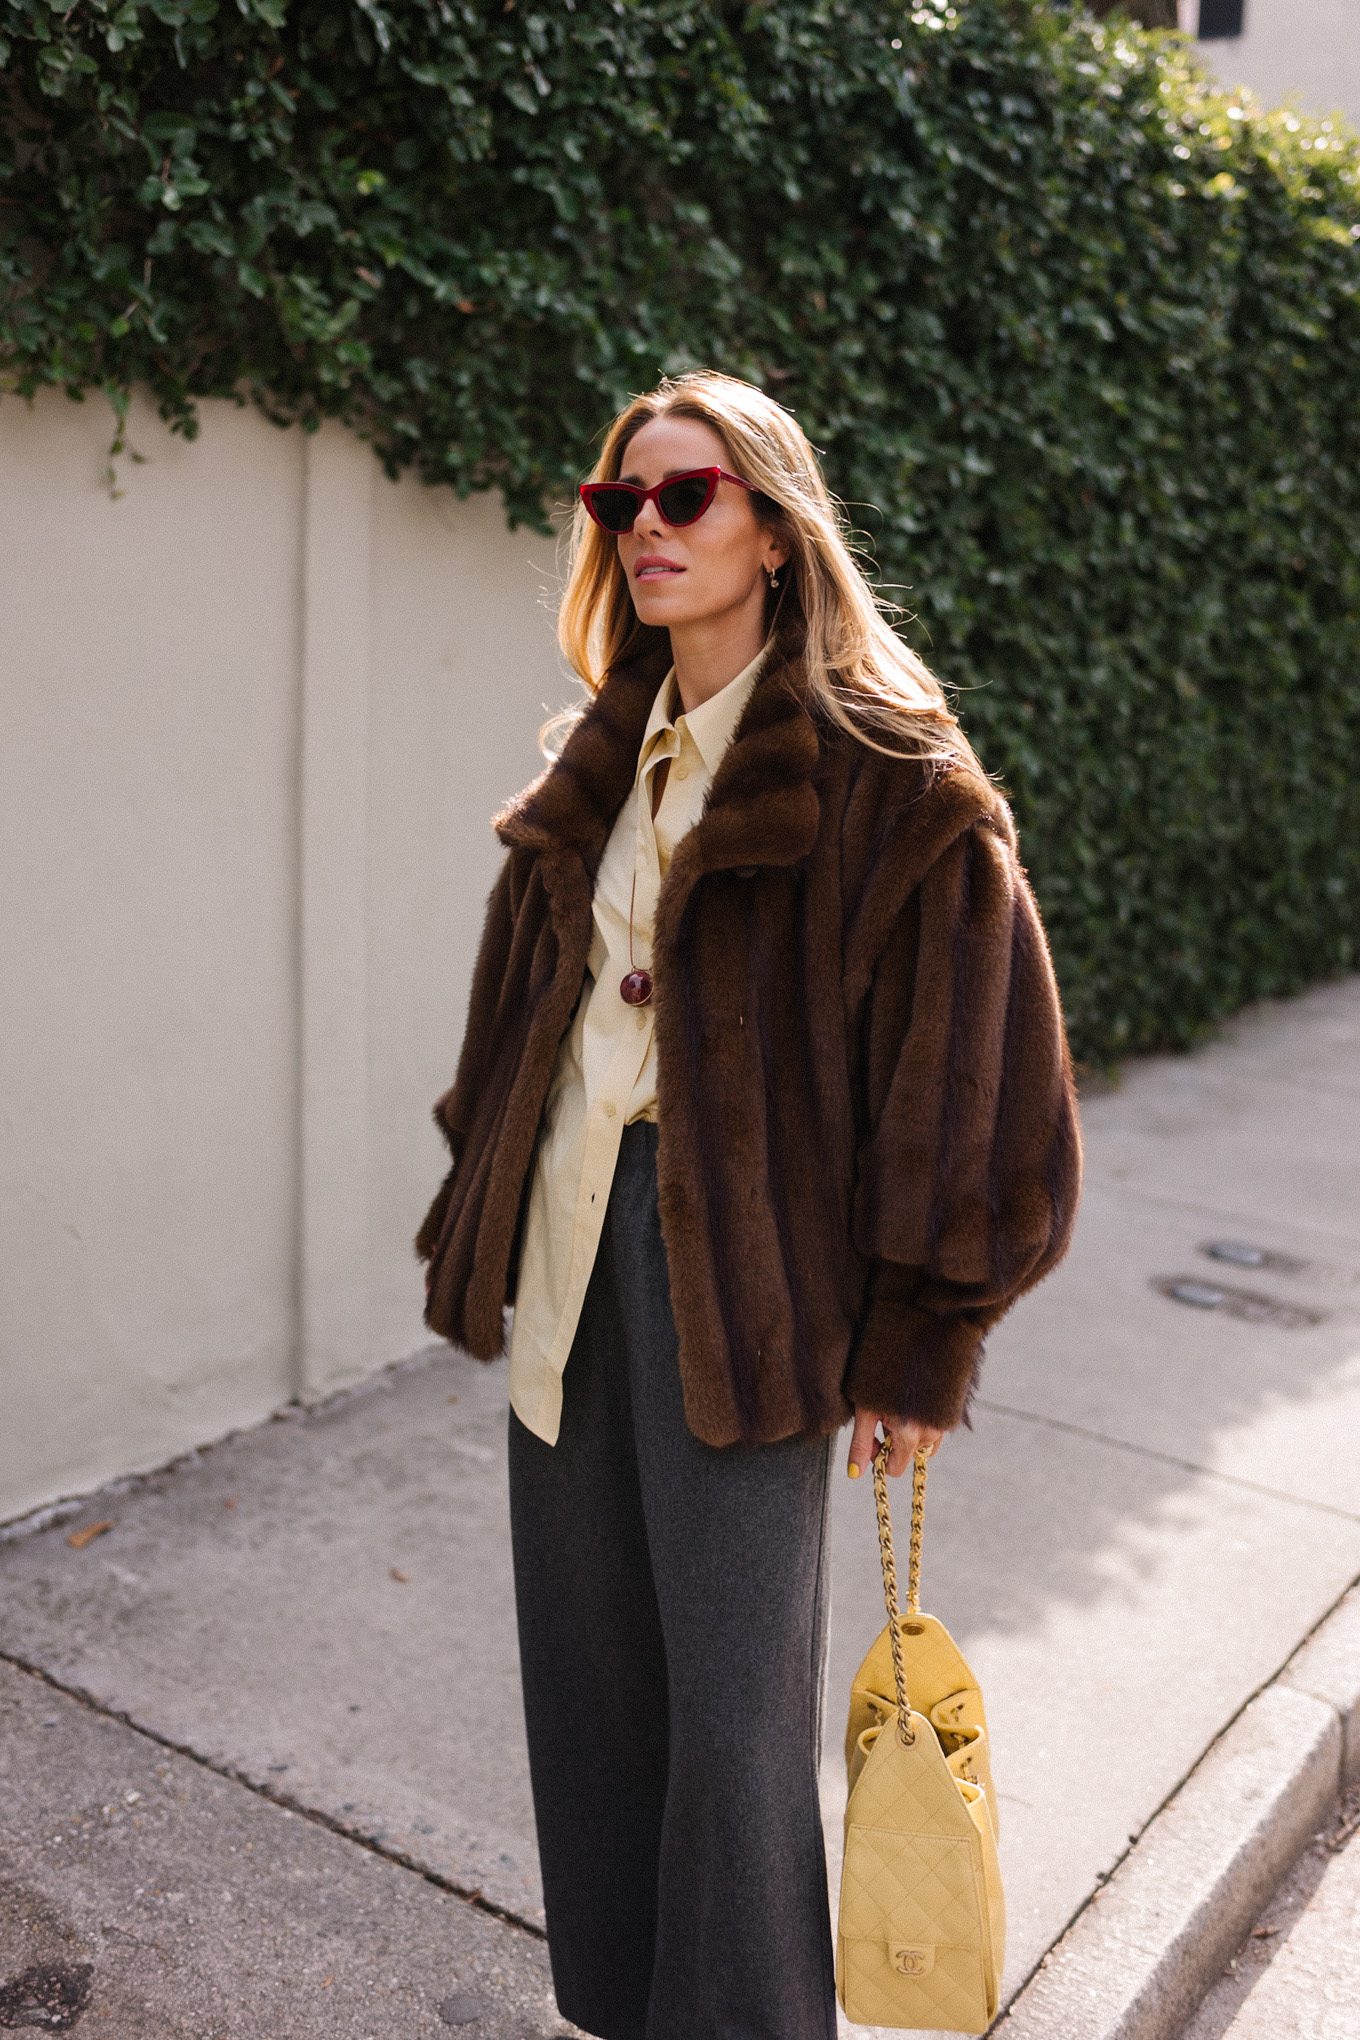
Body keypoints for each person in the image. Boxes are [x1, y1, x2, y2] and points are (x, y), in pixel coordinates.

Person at [417, 370, 1081, 2040]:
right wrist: (483, 1203)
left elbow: (983, 1083)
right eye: (618, 500)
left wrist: (921, 1334)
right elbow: (520, 1018)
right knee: (594, 1687)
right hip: (572, 1245)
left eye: (685, 495)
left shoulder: (895, 782)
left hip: (748, 1290)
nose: (644, 526)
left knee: (732, 1720)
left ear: (776, 532)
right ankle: (626, 2007)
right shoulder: (598, 759)